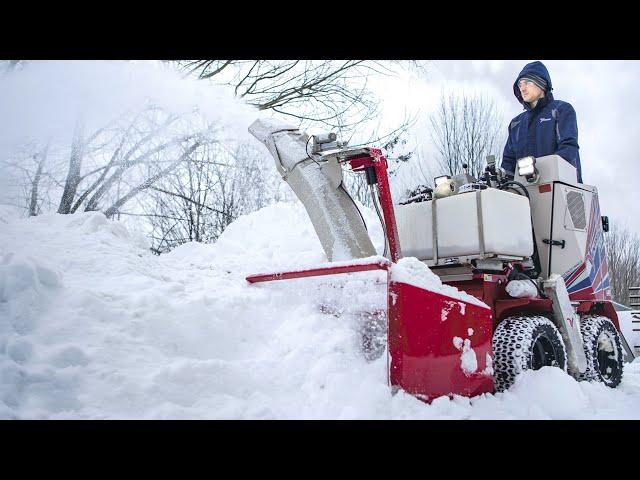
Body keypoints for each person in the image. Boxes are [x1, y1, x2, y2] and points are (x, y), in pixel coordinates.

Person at [501, 61, 582, 183]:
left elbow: (568, 149)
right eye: (520, 84)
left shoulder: (561, 110)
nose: (522, 88)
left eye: (527, 82)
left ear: (541, 83)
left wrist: (541, 171)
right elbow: (508, 163)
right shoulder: (516, 124)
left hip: (562, 189)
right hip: (524, 194)